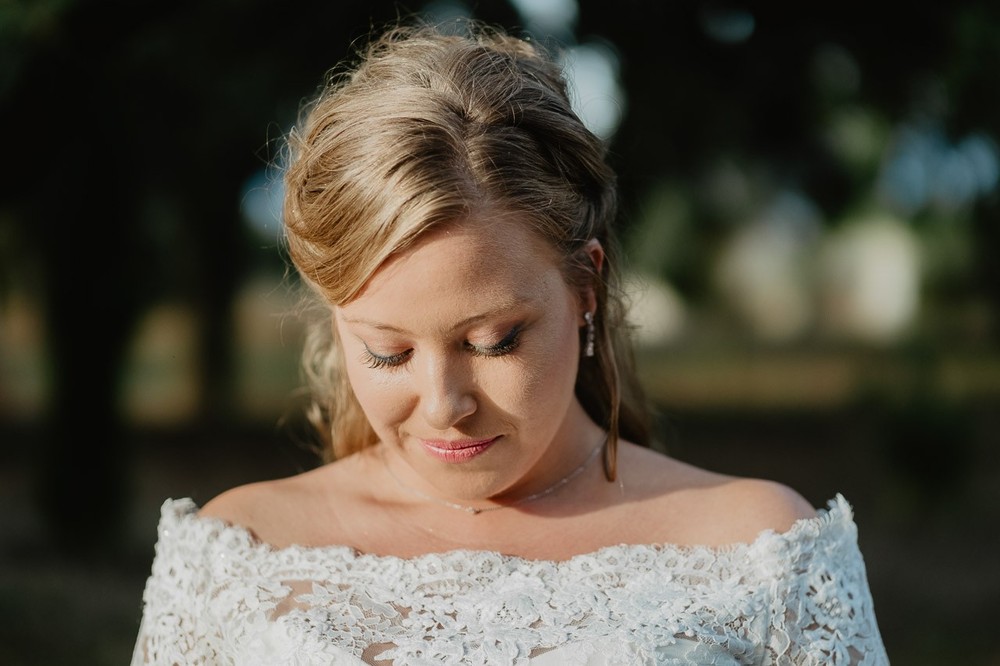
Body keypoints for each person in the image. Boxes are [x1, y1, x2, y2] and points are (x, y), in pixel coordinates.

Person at [130, 18, 889, 665]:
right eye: (388, 352)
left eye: (494, 341)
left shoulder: (767, 555)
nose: (443, 404)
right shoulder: (235, 556)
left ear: (585, 287)